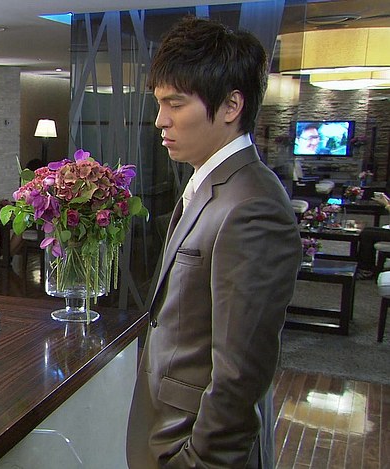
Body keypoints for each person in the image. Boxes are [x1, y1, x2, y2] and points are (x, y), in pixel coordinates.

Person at [126, 17, 302, 468]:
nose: (161, 120)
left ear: (231, 105)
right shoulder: (210, 184)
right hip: (166, 430)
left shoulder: (253, 206)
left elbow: (240, 375)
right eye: (159, 102)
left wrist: (197, 461)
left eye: (176, 103)